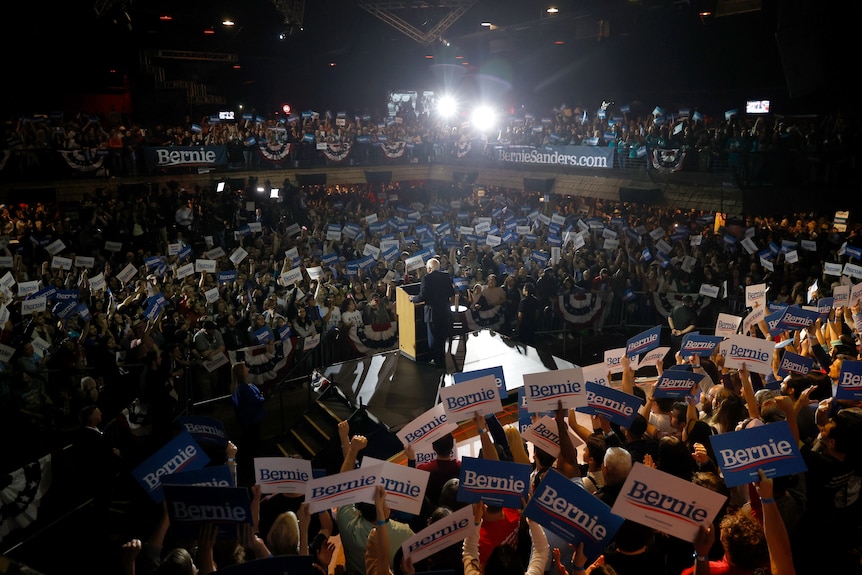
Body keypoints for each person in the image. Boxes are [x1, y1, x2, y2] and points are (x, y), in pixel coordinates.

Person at [411, 257, 455, 367]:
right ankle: (442, 358)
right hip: (444, 311)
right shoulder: (445, 276)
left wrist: (413, 299)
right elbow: (451, 292)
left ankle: (436, 361)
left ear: (429, 268)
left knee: (433, 338)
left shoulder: (427, 279)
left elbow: (423, 296)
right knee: (442, 336)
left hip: (432, 313)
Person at [230, 361, 265, 480]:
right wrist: (261, 397)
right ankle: (250, 470)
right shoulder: (244, 389)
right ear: (241, 372)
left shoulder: (238, 388)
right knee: (251, 444)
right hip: (252, 421)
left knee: (247, 443)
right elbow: (256, 401)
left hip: (247, 422)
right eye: (245, 368)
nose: (247, 369)